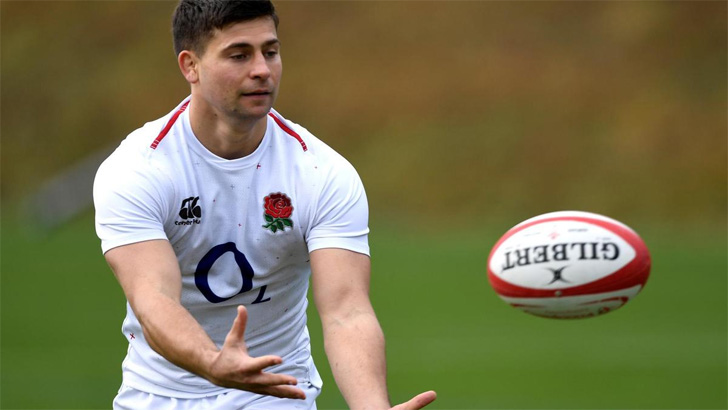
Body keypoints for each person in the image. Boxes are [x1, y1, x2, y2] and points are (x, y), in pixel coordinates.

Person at [93, 1, 437, 409]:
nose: (262, 69)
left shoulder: (320, 172)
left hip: (276, 394)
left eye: (270, 52)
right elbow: (153, 298)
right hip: (161, 397)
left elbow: (347, 311)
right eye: (239, 55)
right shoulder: (139, 168)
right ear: (191, 66)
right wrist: (211, 362)